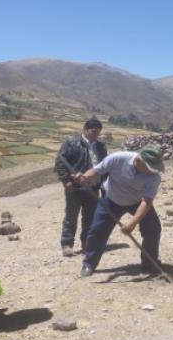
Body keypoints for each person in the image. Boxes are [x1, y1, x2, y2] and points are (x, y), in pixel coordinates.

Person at [74, 144, 164, 277]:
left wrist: (132, 223)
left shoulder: (154, 177)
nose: (152, 171)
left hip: (137, 202)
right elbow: (97, 170)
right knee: (97, 230)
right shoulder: (117, 158)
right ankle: (89, 263)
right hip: (111, 199)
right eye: (150, 167)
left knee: (153, 228)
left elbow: (146, 202)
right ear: (139, 161)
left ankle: (149, 265)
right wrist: (85, 177)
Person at [54, 117, 108, 257]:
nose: (95, 134)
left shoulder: (101, 147)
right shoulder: (72, 143)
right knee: (71, 217)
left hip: (94, 187)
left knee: (90, 217)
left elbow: (105, 166)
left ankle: (86, 243)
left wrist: (104, 185)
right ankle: (67, 244)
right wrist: (66, 181)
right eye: (93, 131)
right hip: (75, 187)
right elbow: (60, 162)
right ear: (85, 129)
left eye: (98, 132)